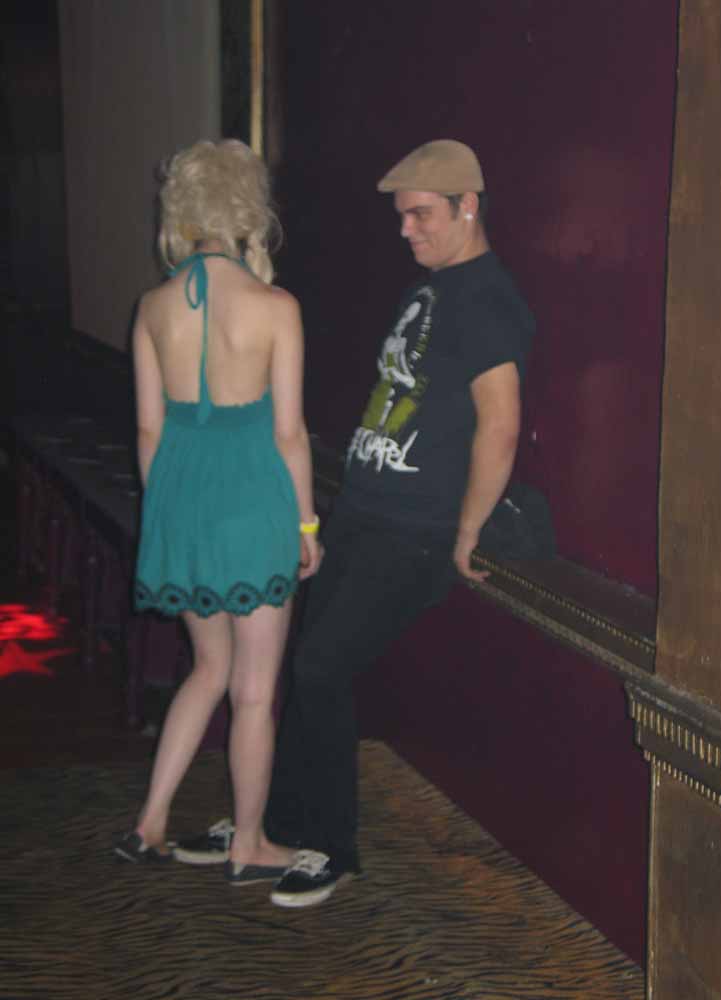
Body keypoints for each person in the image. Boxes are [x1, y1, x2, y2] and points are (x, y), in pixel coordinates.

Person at [176, 139, 535, 907]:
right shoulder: (428, 291)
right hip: (365, 510)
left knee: (320, 668)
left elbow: (501, 424)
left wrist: (468, 530)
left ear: (468, 206)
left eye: (420, 214)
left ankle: (331, 846)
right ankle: (266, 826)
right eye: (402, 216)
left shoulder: (489, 300)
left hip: (416, 528)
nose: (406, 229)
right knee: (306, 668)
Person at [115, 139, 322, 885]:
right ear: (248, 209)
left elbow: (148, 431)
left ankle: (150, 822)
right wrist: (306, 525)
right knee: (254, 691)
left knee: (206, 669)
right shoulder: (276, 308)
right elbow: (290, 433)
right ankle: (249, 844)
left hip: (183, 501)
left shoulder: (151, 307)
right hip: (256, 502)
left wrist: (169, 512)